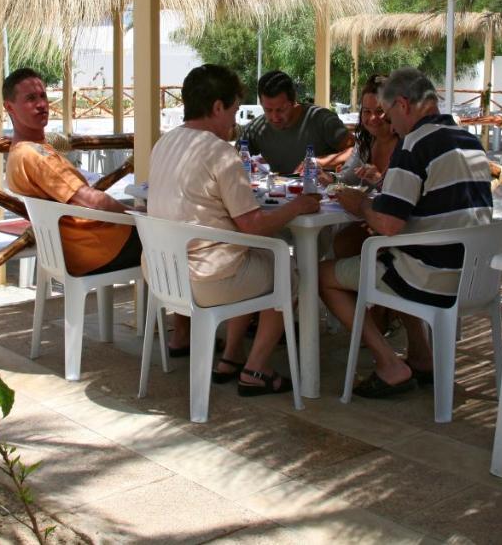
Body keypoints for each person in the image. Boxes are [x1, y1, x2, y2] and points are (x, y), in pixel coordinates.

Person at [148, 64, 321, 395]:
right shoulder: (220, 153)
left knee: (253, 258)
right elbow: (252, 225)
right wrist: (297, 206)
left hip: (165, 274)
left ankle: (231, 357)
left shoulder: (163, 144)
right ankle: (255, 369)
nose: (234, 121)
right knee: (288, 270)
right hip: (208, 279)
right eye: (233, 111)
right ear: (217, 107)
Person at [320, 67, 493, 397]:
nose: (389, 123)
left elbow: (387, 224)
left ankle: (389, 364)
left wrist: (358, 204)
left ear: (402, 104)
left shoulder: (414, 145)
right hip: (475, 275)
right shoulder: (470, 141)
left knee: (320, 274)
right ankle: (421, 356)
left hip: (432, 277)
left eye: (387, 114)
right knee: (393, 258)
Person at [4, 67, 142, 277]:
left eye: (43, 96)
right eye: (31, 98)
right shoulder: (36, 155)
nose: (41, 104)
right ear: (10, 108)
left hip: (74, 252)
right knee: (174, 244)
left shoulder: (18, 153)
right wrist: (135, 216)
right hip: (99, 248)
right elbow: (91, 200)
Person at [319, 74, 399, 259]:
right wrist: (328, 178)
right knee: (325, 237)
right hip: (363, 219)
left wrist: (379, 179)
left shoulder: (405, 145)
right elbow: (345, 180)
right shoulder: (365, 144)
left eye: (379, 111)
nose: (372, 118)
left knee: (339, 245)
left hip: (390, 228)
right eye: (366, 111)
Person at [240, 70, 353, 174]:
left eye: (281, 109)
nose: (274, 117)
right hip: (278, 193)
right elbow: (232, 159)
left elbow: (358, 152)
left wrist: (321, 162)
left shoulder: (321, 120)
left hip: (322, 192)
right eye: (268, 110)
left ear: (294, 100)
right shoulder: (256, 129)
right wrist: (243, 165)